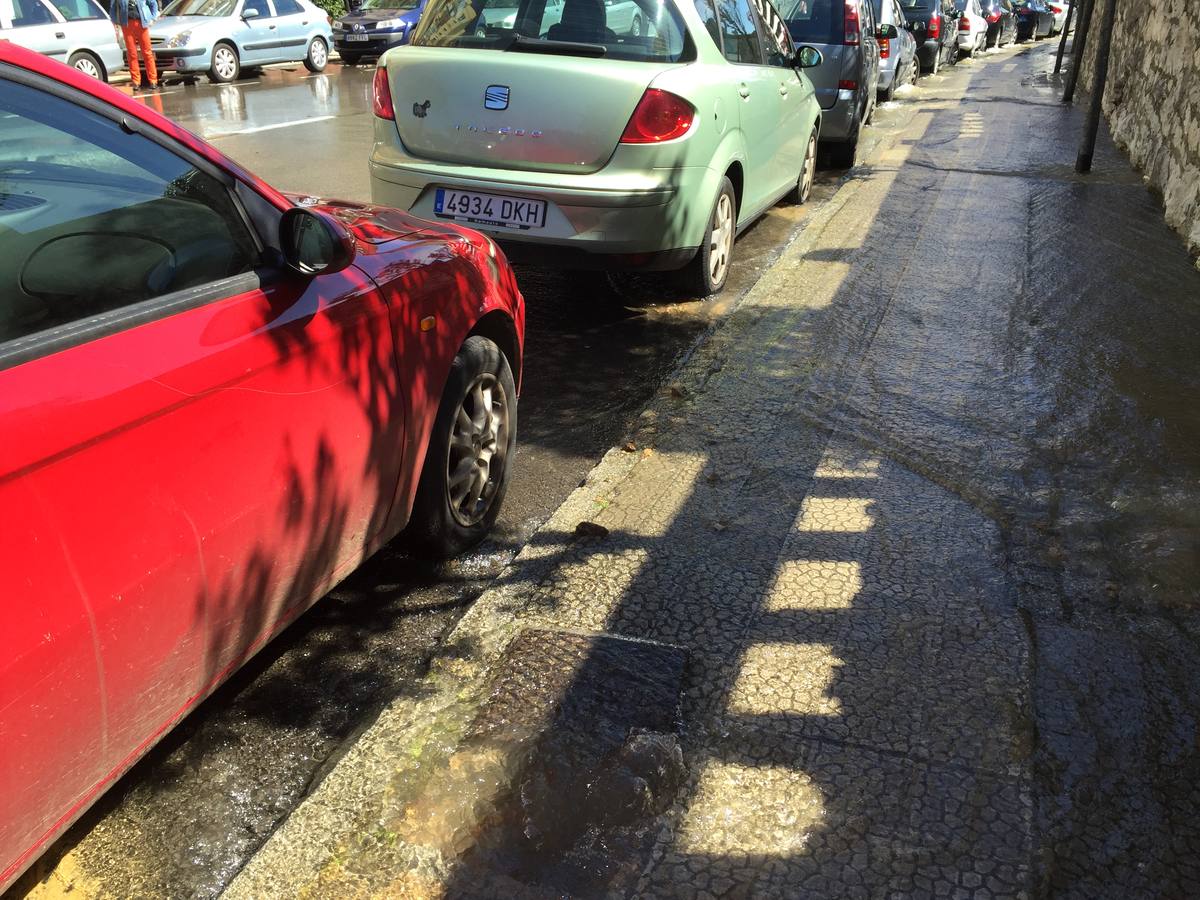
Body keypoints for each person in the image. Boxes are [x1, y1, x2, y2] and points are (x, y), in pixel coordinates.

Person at [110, 0, 161, 92]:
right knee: (132, 54)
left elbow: (153, 3)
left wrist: (153, 18)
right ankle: (136, 82)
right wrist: (116, 22)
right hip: (127, 24)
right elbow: (112, 8)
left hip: (142, 23)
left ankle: (153, 80)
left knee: (147, 52)